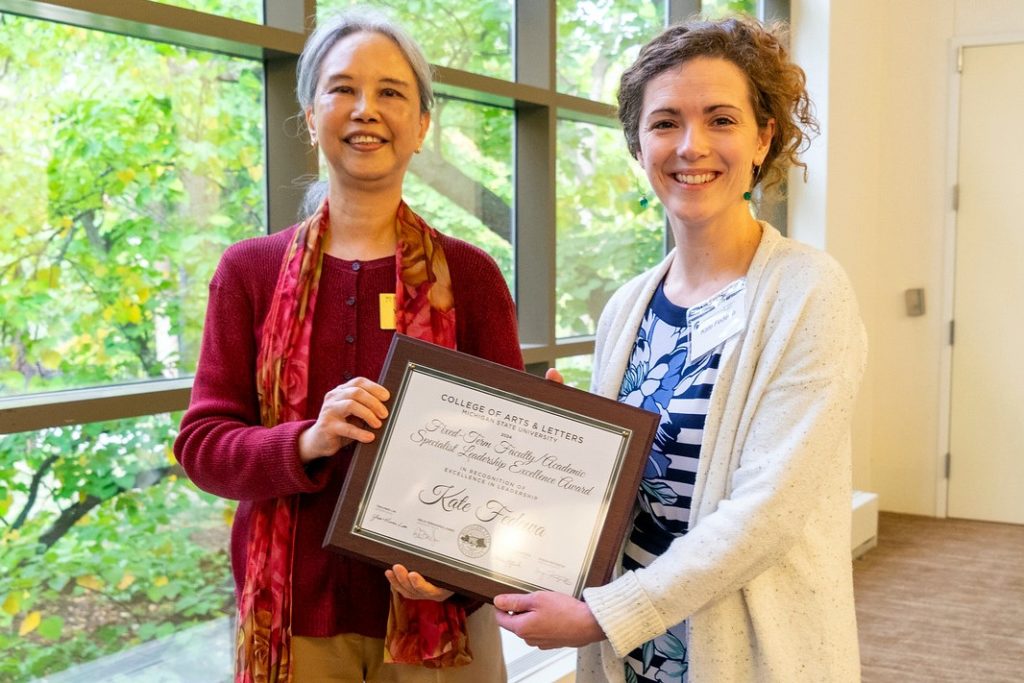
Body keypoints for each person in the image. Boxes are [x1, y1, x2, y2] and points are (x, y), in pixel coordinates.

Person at [494, 15, 866, 683]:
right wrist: (561, 444)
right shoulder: (626, 306)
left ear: (764, 139)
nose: (691, 145)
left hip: (749, 655)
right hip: (633, 656)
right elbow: (624, 494)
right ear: (639, 146)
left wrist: (603, 614)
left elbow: (767, 512)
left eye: (721, 119)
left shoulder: (808, 292)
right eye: (666, 122)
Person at [174, 7, 520, 682]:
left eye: (391, 92)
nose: (366, 110)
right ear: (311, 116)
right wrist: (306, 440)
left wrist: (458, 582)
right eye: (342, 89)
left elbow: (508, 467)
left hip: (442, 621)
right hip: (294, 623)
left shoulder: (471, 277)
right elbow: (203, 445)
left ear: (422, 125)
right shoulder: (249, 271)